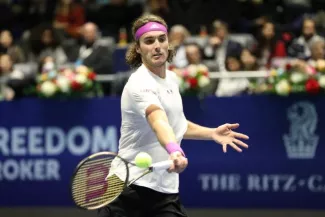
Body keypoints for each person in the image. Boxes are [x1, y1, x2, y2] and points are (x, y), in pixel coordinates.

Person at [98, 14, 249, 217]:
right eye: (149, 41)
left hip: (164, 190)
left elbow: (176, 124)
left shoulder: (171, 79)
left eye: (162, 39)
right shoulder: (139, 84)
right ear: (138, 48)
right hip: (127, 187)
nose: (157, 45)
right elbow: (158, 121)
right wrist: (174, 150)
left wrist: (212, 133)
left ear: (169, 43)